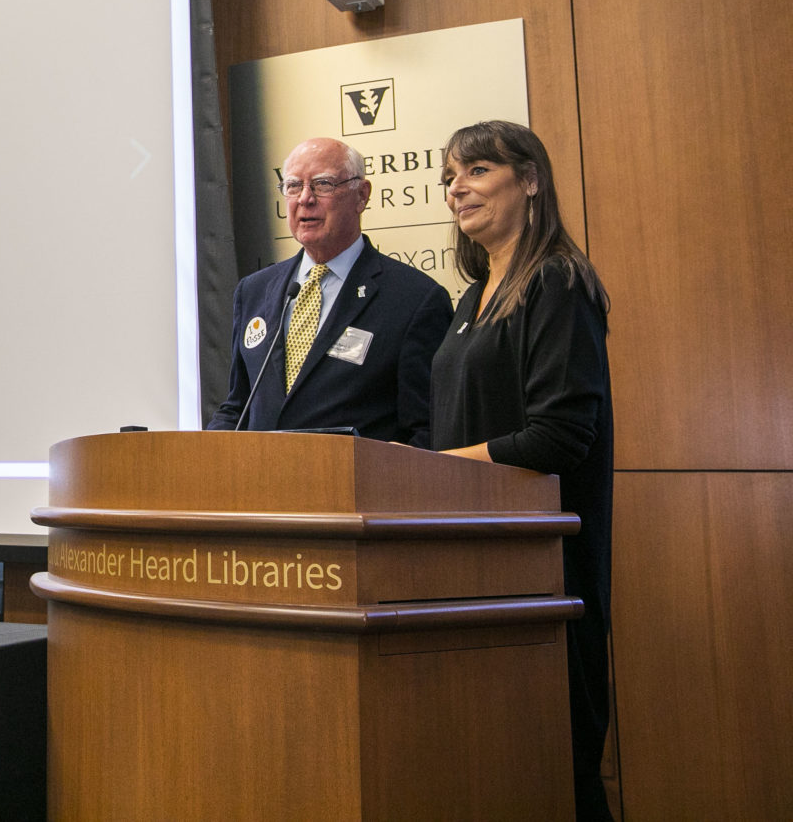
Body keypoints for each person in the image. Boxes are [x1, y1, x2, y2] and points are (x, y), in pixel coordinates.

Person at [429, 120, 613, 822]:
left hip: (541, 575)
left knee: (551, 773)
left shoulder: (557, 281)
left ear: (531, 179)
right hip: (470, 565)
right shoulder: (471, 297)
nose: (456, 188)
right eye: (449, 175)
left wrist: (431, 470)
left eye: (476, 170)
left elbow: (561, 435)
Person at [210, 137, 452, 445]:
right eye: (293, 186)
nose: (305, 199)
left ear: (361, 195)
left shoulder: (415, 299)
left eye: (323, 184)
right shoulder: (254, 290)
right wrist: (206, 457)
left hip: (355, 488)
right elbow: (238, 406)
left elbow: (427, 430)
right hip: (261, 485)